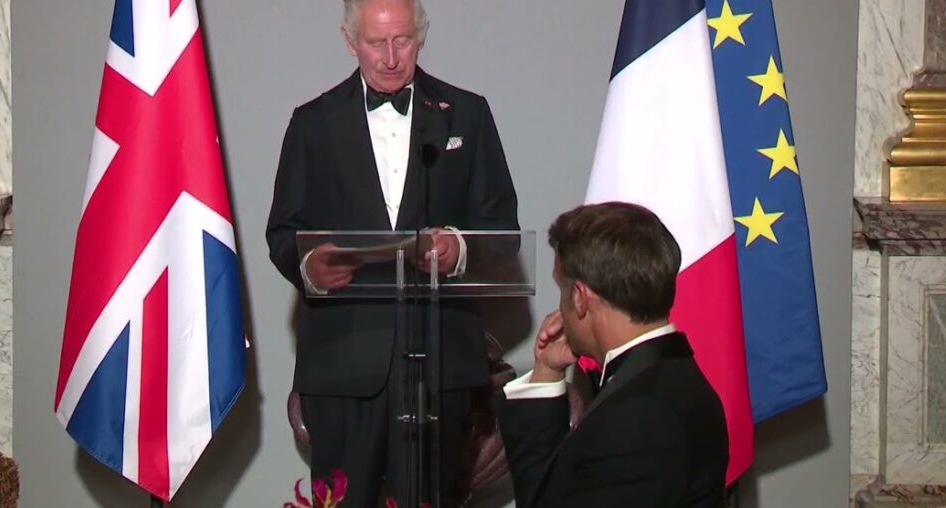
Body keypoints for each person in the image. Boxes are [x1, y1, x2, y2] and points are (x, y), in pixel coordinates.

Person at [265, 0, 519, 504]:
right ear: (349, 41)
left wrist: (460, 249)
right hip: (343, 367)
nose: (389, 58)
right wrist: (310, 265)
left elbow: (501, 228)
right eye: (375, 43)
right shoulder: (312, 123)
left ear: (420, 36)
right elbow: (283, 232)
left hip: (440, 363)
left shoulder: (467, 113)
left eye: (401, 41)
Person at [496, 202, 728, 508]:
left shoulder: (639, 417)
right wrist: (547, 374)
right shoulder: (670, 376)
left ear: (579, 298)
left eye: (562, 291)